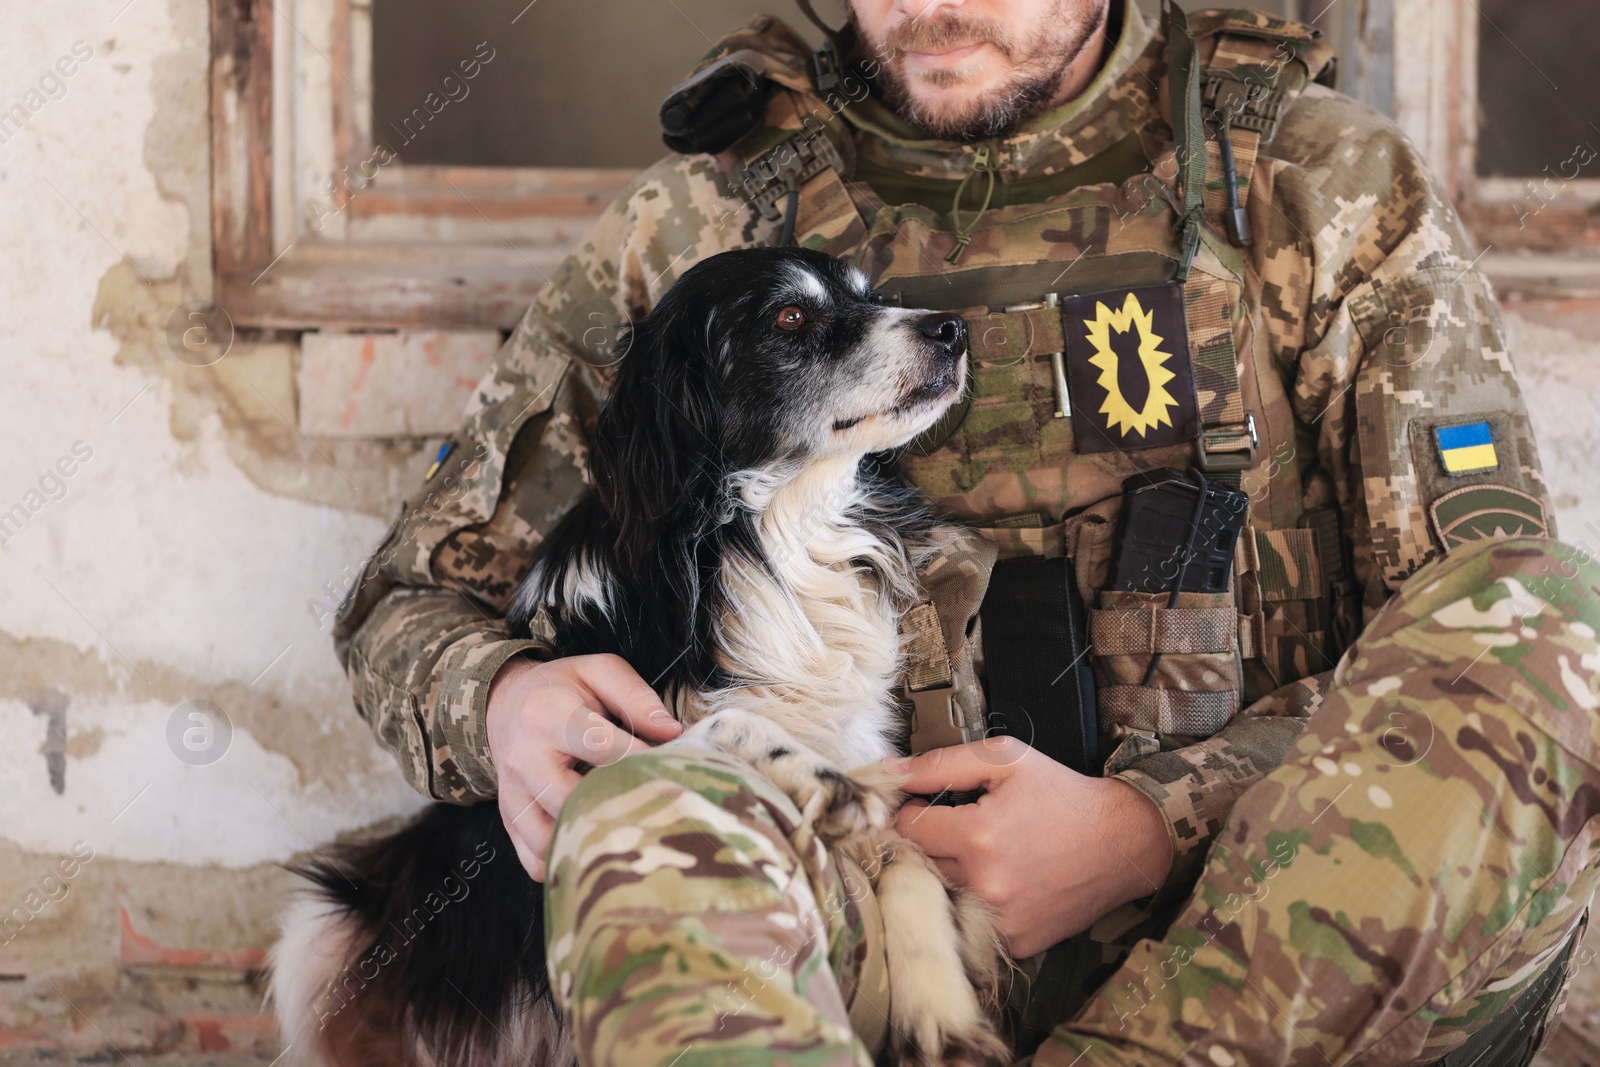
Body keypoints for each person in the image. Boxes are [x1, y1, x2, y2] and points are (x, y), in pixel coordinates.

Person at [332, 0, 1600, 1062]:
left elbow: (1480, 639)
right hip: (872, 943)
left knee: (1563, 626)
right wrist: (499, 698)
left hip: (1259, 947)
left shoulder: (1312, 185)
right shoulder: (711, 217)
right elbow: (406, 602)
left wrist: (1159, 820)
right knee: (646, 811)